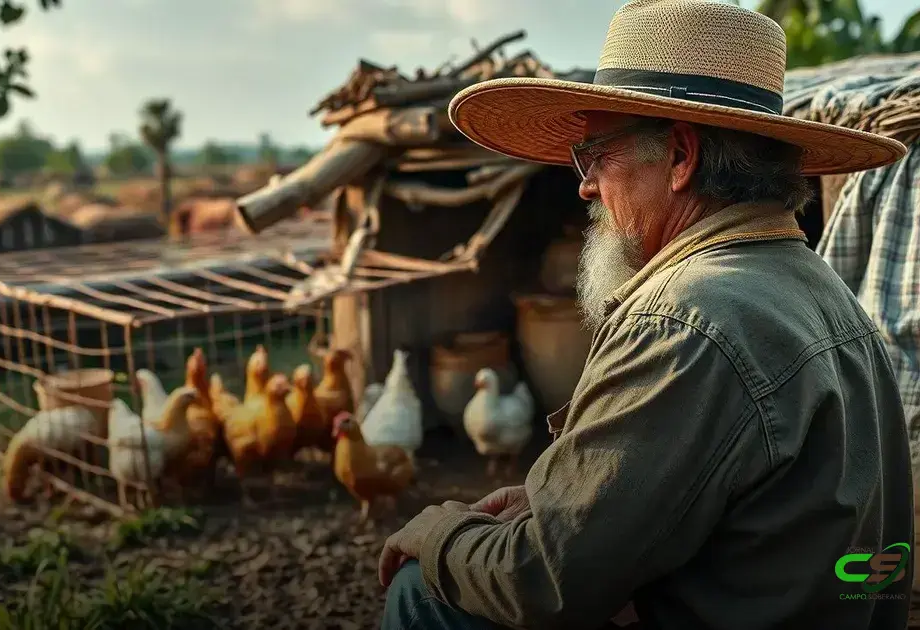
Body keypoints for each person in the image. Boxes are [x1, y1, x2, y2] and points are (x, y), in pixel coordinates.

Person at [378, 1, 915, 629]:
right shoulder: (825, 292)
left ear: (681, 157)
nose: (585, 185)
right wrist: (566, 499)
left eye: (595, 156)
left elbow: (544, 581)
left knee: (422, 595)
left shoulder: (684, 321)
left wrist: (440, 531)